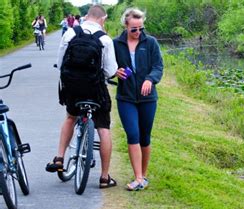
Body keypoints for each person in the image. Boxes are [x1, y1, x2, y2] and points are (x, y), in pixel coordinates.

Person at [46, 5, 118, 189]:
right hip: (95, 89)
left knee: (71, 117)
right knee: (103, 129)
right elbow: (110, 71)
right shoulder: (105, 39)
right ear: (104, 18)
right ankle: (104, 177)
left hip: (73, 88)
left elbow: (60, 63)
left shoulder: (70, 33)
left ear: (87, 17)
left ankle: (60, 158)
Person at [113, 8, 163, 191]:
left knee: (144, 137)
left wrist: (150, 79)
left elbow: (158, 66)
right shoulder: (116, 44)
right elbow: (109, 65)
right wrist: (114, 71)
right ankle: (138, 177)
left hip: (147, 98)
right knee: (132, 134)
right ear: (125, 25)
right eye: (134, 29)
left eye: (140, 28)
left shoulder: (150, 43)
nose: (138, 33)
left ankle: (143, 175)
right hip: (126, 97)